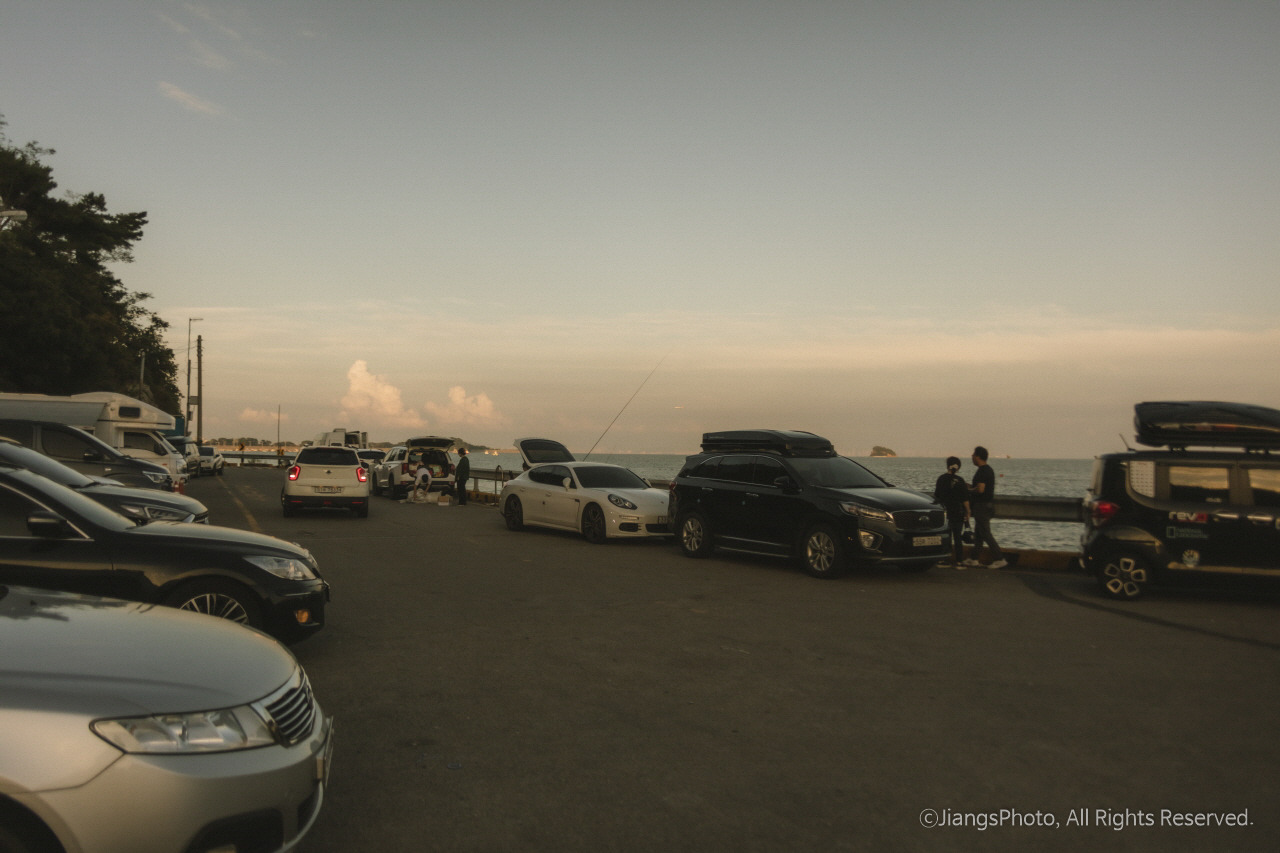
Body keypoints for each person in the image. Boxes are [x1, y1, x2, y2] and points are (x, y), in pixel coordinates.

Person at [963, 446, 1007, 568]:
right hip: (986, 505)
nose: (971, 456)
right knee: (979, 534)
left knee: (986, 533)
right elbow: (981, 487)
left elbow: (980, 489)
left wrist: (969, 490)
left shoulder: (983, 471)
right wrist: (971, 486)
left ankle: (999, 558)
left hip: (982, 506)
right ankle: (974, 558)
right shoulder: (987, 470)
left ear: (978, 456)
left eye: (973, 454)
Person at [933, 456, 970, 569]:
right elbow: (965, 499)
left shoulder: (941, 479)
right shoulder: (960, 480)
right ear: (958, 467)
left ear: (947, 466)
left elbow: (937, 495)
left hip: (945, 512)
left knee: (946, 536)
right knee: (957, 537)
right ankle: (959, 561)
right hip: (957, 512)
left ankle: (943, 559)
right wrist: (968, 511)